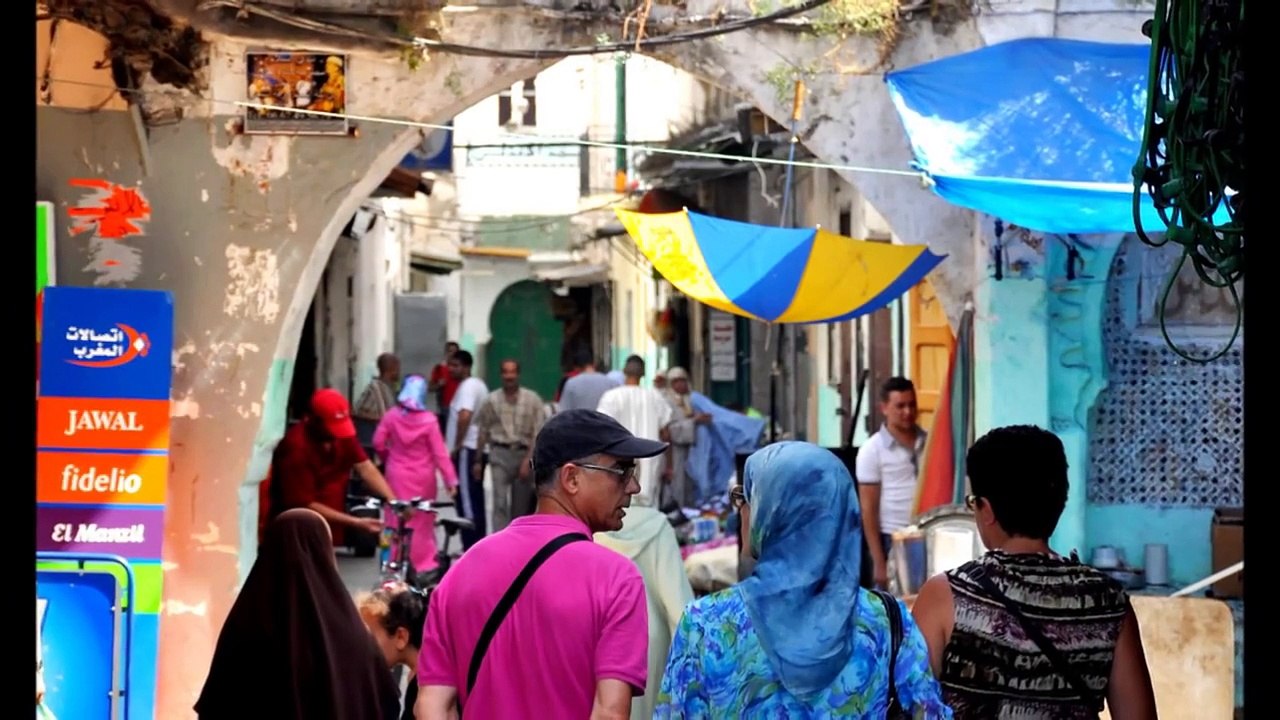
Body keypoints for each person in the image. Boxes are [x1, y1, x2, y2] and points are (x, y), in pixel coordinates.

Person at [654, 442, 951, 719]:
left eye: (745, 497)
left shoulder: (707, 624)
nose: (741, 510)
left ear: (771, 514)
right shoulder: (886, 620)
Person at [416, 409, 668, 720]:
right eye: (622, 471)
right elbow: (610, 713)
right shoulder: (617, 577)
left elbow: (431, 706)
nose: (634, 488)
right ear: (571, 478)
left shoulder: (462, 571)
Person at [910, 425, 1158, 719]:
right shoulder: (1108, 602)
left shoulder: (945, 596)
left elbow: (913, 706)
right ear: (1060, 503)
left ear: (986, 509)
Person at [196, 509, 400, 720]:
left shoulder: (244, 627)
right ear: (325, 553)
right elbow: (383, 703)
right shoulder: (353, 636)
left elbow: (217, 705)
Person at [595, 504, 694, 720]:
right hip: (649, 641)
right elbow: (683, 616)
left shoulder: (587, 527)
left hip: (601, 643)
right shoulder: (657, 525)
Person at [269, 389, 398, 548]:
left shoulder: (341, 436)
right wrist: (356, 522)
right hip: (299, 528)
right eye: (332, 428)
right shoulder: (296, 448)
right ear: (313, 420)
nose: (337, 434)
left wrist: (393, 500)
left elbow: (365, 467)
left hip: (331, 520)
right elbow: (305, 504)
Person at [372, 375, 459, 572]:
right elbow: (440, 453)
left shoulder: (391, 416)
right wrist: (450, 480)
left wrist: (389, 458)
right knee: (421, 522)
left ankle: (393, 563)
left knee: (395, 521)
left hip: (396, 477)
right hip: (423, 479)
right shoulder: (429, 421)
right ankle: (421, 566)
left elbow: (378, 442)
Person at [856, 376, 926, 589]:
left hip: (928, 533)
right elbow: (868, 510)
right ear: (884, 408)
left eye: (912, 405)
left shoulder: (930, 441)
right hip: (892, 539)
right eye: (900, 406)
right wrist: (878, 561)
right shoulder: (872, 450)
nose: (907, 412)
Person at [472, 359, 547, 532]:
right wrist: (477, 461)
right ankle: (498, 542)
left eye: (512, 372)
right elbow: (483, 431)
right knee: (499, 502)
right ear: (501, 375)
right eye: (505, 372)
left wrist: (528, 460)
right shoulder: (491, 400)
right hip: (500, 453)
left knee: (520, 507)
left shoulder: (532, 400)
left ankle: (517, 539)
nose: (509, 376)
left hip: (524, 454)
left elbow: (538, 433)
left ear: (518, 374)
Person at [596, 355, 674, 506]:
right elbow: (666, 434)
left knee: (619, 504)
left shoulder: (611, 397)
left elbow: (601, 431)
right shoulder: (654, 396)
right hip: (651, 460)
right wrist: (670, 465)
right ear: (643, 373)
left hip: (618, 462)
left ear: (624, 371)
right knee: (649, 507)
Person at [357, 583, 429, 720]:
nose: (365, 646)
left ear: (401, 637)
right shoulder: (420, 676)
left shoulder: (424, 687)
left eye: (370, 637)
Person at [444, 350, 489, 549]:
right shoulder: (477, 385)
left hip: (467, 449)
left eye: (455, 365)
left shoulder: (468, 387)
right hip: (472, 448)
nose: (451, 369)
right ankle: (476, 542)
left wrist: (457, 444)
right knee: (473, 497)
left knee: (467, 499)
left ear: (466, 366)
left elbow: (464, 415)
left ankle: (471, 544)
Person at [659, 367, 711, 509]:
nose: (680, 385)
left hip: (690, 453)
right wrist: (694, 421)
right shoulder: (666, 402)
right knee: (676, 487)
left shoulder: (691, 400)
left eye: (683, 380)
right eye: (676, 381)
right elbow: (670, 429)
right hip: (674, 453)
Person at [355, 353, 401, 424]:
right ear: (392, 370)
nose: (399, 372)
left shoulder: (388, 387)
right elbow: (360, 412)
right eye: (397, 368)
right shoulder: (375, 388)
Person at [428, 341, 460, 427]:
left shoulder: (462, 369)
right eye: (450, 351)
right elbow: (430, 388)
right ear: (446, 353)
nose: (453, 354)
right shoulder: (439, 368)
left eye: (455, 352)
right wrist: (439, 384)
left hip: (459, 406)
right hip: (445, 407)